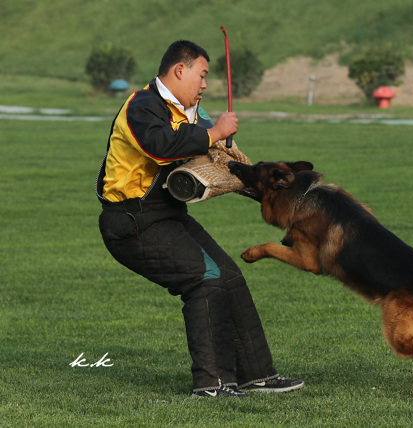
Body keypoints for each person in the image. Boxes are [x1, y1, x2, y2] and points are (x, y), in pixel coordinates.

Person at [95, 40, 304, 398]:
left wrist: (274, 186)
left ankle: (257, 375)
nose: (205, 84)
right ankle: (213, 384)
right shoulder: (141, 106)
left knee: (229, 277)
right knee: (205, 279)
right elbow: (160, 146)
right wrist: (214, 133)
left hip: (168, 216)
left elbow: (224, 162)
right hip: (131, 223)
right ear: (180, 70)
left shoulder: (192, 112)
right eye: (202, 75)